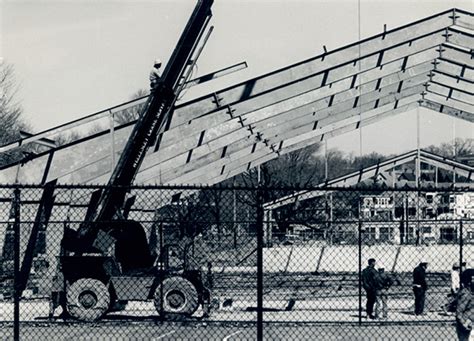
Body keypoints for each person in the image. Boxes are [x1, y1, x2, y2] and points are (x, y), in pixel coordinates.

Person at [456, 272, 474, 341]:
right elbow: (459, 311)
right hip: (467, 326)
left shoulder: (471, 293)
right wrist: (464, 323)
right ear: (469, 282)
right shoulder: (466, 294)